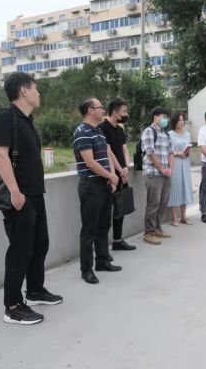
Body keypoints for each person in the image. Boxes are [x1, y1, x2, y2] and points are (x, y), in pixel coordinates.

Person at [0, 72, 62, 325]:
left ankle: (34, 291)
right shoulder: (6, 117)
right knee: (20, 251)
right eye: (35, 88)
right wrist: (14, 191)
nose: (38, 93)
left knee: (40, 244)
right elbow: (0, 155)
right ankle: (12, 307)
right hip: (20, 197)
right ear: (24, 90)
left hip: (35, 194)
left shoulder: (27, 120)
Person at [73, 98, 122, 285]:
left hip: (104, 184)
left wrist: (111, 177)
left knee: (103, 226)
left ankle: (102, 261)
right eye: (100, 107)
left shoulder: (99, 131)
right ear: (90, 110)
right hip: (91, 186)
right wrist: (111, 176)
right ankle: (86, 270)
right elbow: (90, 163)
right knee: (89, 230)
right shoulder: (82, 132)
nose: (103, 110)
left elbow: (107, 154)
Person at [98, 97, 137, 252]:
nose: (126, 114)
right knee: (108, 210)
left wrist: (127, 167)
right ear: (115, 112)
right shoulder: (102, 128)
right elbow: (108, 152)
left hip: (122, 173)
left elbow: (124, 149)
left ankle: (117, 240)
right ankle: (103, 248)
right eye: (124, 111)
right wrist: (120, 170)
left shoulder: (120, 129)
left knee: (121, 208)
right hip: (111, 175)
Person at [141, 107, 174, 245]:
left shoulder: (166, 134)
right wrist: (161, 169)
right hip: (153, 173)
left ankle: (157, 229)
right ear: (155, 118)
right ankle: (148, 233)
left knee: (162, 203)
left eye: (166, 117)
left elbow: (171, 152)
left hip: (166, 173)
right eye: (163, 117)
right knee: (153, 204)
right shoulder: (149, 131)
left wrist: (170, 169)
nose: (166, 120)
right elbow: (150, 152)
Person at [168, 112, 194, 226]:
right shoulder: (169, 135)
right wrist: (178, 154)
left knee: (185, 188)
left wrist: (187, 152)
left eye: (183, 120)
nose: (182, 122)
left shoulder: (187, 134)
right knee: (174, 189)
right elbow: (169, 151)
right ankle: (174, 218)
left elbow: (189, 147)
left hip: (185, 163)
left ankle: (183, 216)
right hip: (175, 163)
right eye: (179, 120)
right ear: (174, 121)